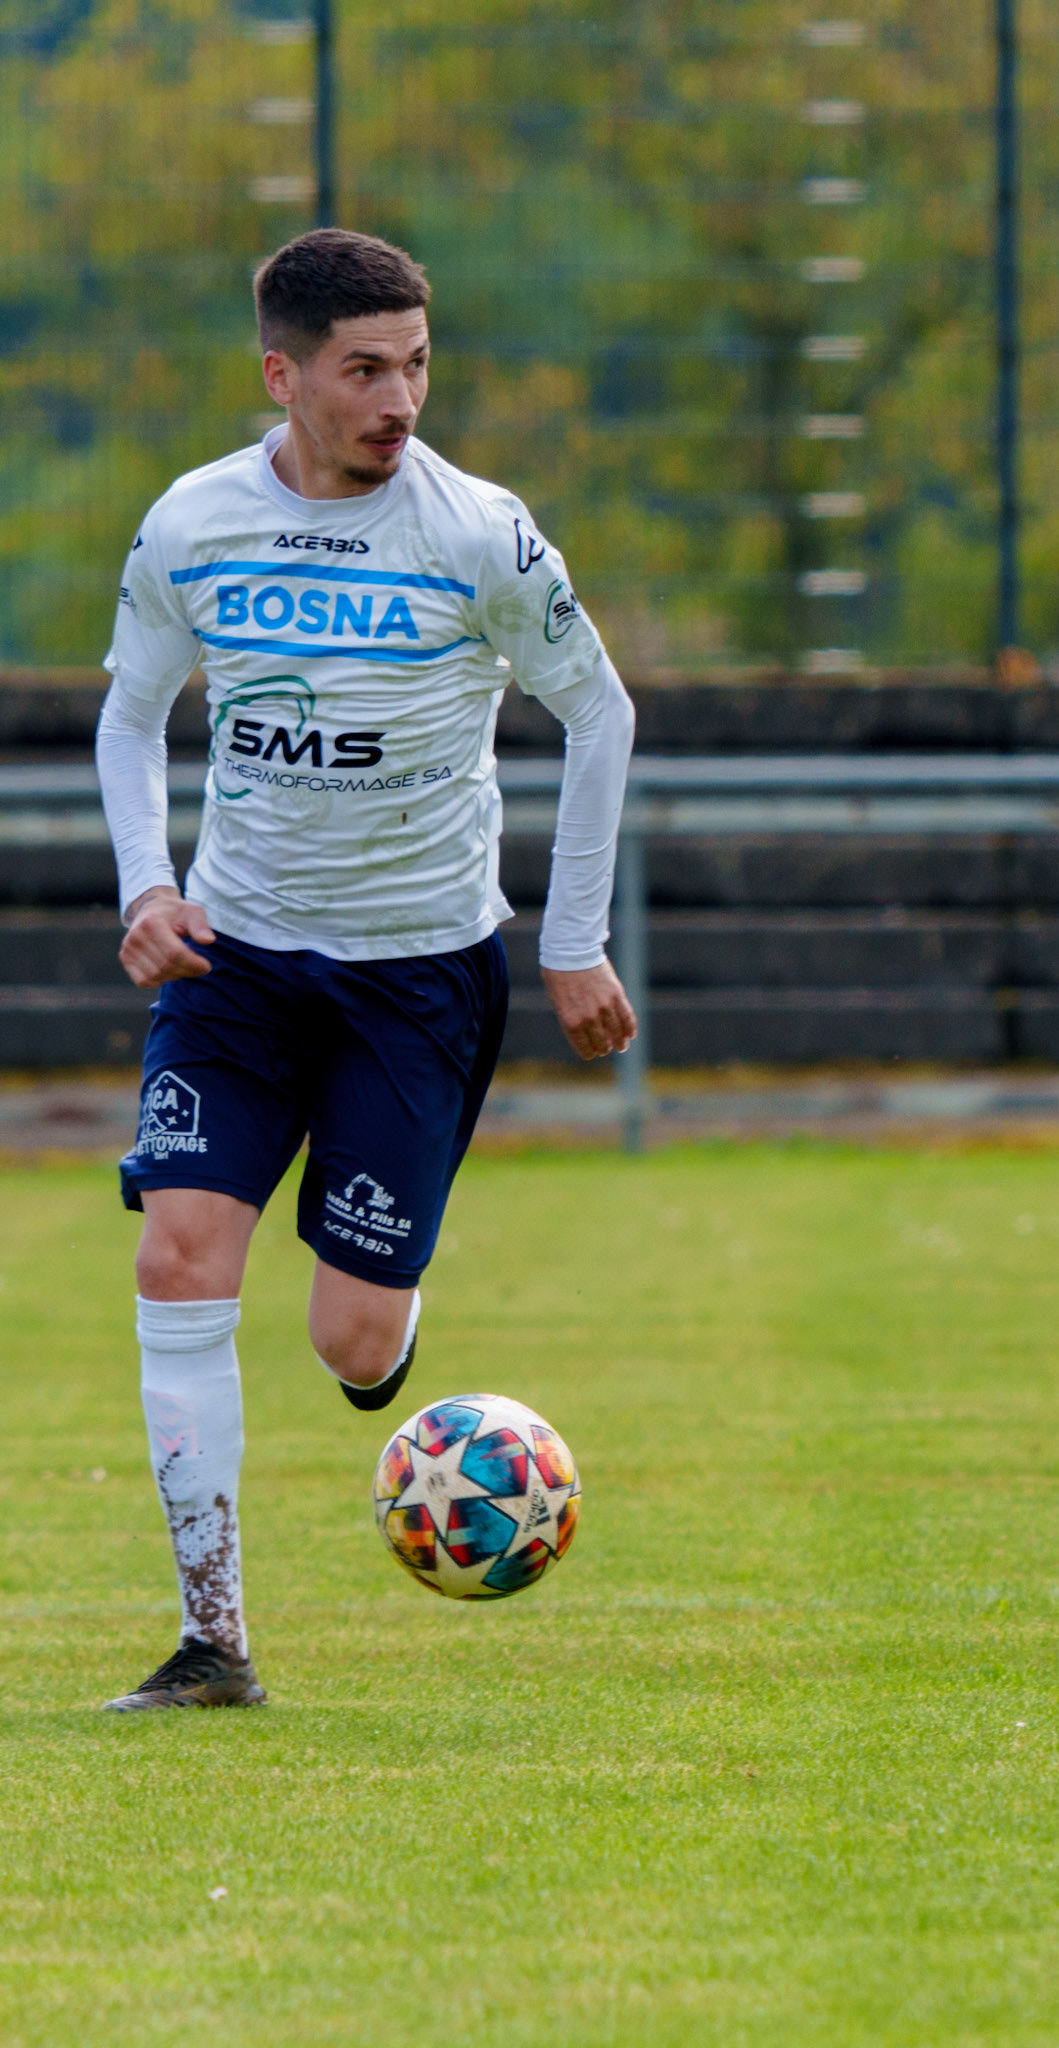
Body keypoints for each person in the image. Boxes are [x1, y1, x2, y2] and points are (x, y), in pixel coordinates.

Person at [94, 228, 636, 1711]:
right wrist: (148, 881)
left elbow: (601, 715)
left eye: (414, 366)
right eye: (363, 371)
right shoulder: (193, 525)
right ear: (283, 375)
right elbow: (132, 716)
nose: (399, 399)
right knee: (180, 1255)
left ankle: (385, 1352)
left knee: (352, 1338)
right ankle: (215, 1639)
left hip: (417, 974)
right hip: (238, 959)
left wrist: (573, 942)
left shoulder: (481, 535)